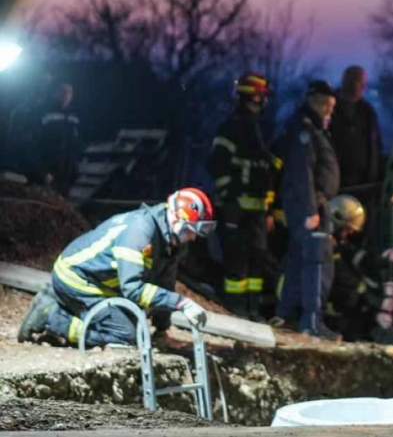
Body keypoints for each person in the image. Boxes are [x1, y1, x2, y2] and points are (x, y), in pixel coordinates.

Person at [18, 188, 212, 347]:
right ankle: (52, 317)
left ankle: (57, 300)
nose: (193, 237)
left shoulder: (169, 241)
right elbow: (133, 289)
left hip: (94, 279)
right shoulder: (140, 232)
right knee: (125, 336)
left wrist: (162, 330)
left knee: (137, 328)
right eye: (190, 231)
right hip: (77, 278)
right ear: (176, 220)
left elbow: (164, 282)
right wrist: (181, 303)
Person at [206, 72, 280, 321]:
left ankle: (252, 310)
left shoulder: (258, 129)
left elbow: (266, 172)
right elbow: (216, 163)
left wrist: (268, 209)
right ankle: (234, 310)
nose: (263, 101)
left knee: (256, 262)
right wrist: (229, 198)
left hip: (256, 212)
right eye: (260, 95)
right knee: (236, 263)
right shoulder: (232, 127)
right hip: (236, 210)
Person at [271, 80, 340, 339]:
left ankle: (285, 313)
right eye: (328, 106)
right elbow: (302, 171)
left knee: (298, 259)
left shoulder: (310, 127)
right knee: (317, 263)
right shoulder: (305, 129)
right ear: (316, 102)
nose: (330, 112)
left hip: (310, 204)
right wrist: (311, 209)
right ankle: (312, 322)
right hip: (310, 207)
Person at [326, 194, 381, 340]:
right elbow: (338, 269)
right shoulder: (324, 239)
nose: (350, 233)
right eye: (348, 229)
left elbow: (346, 252)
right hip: (304, 287)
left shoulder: (333, 237)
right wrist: (359, 285)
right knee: (352, 296)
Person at [329, 66, 383, 190]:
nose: (363, 87)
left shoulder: (367, 112)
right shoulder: (330, 109)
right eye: (360, 82)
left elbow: (376, 146)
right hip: (336, 182)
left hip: (363, 183)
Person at [36, 82, 81, 196]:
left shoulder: (73, 118)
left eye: (69, 92)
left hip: (67, 175)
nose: (66, 95)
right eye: (62, 91)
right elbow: (36, 145)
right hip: (49, 174)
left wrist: (75, 171)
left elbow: (75, 146)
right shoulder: (45, 115)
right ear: (55, 93)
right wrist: (43, 172)